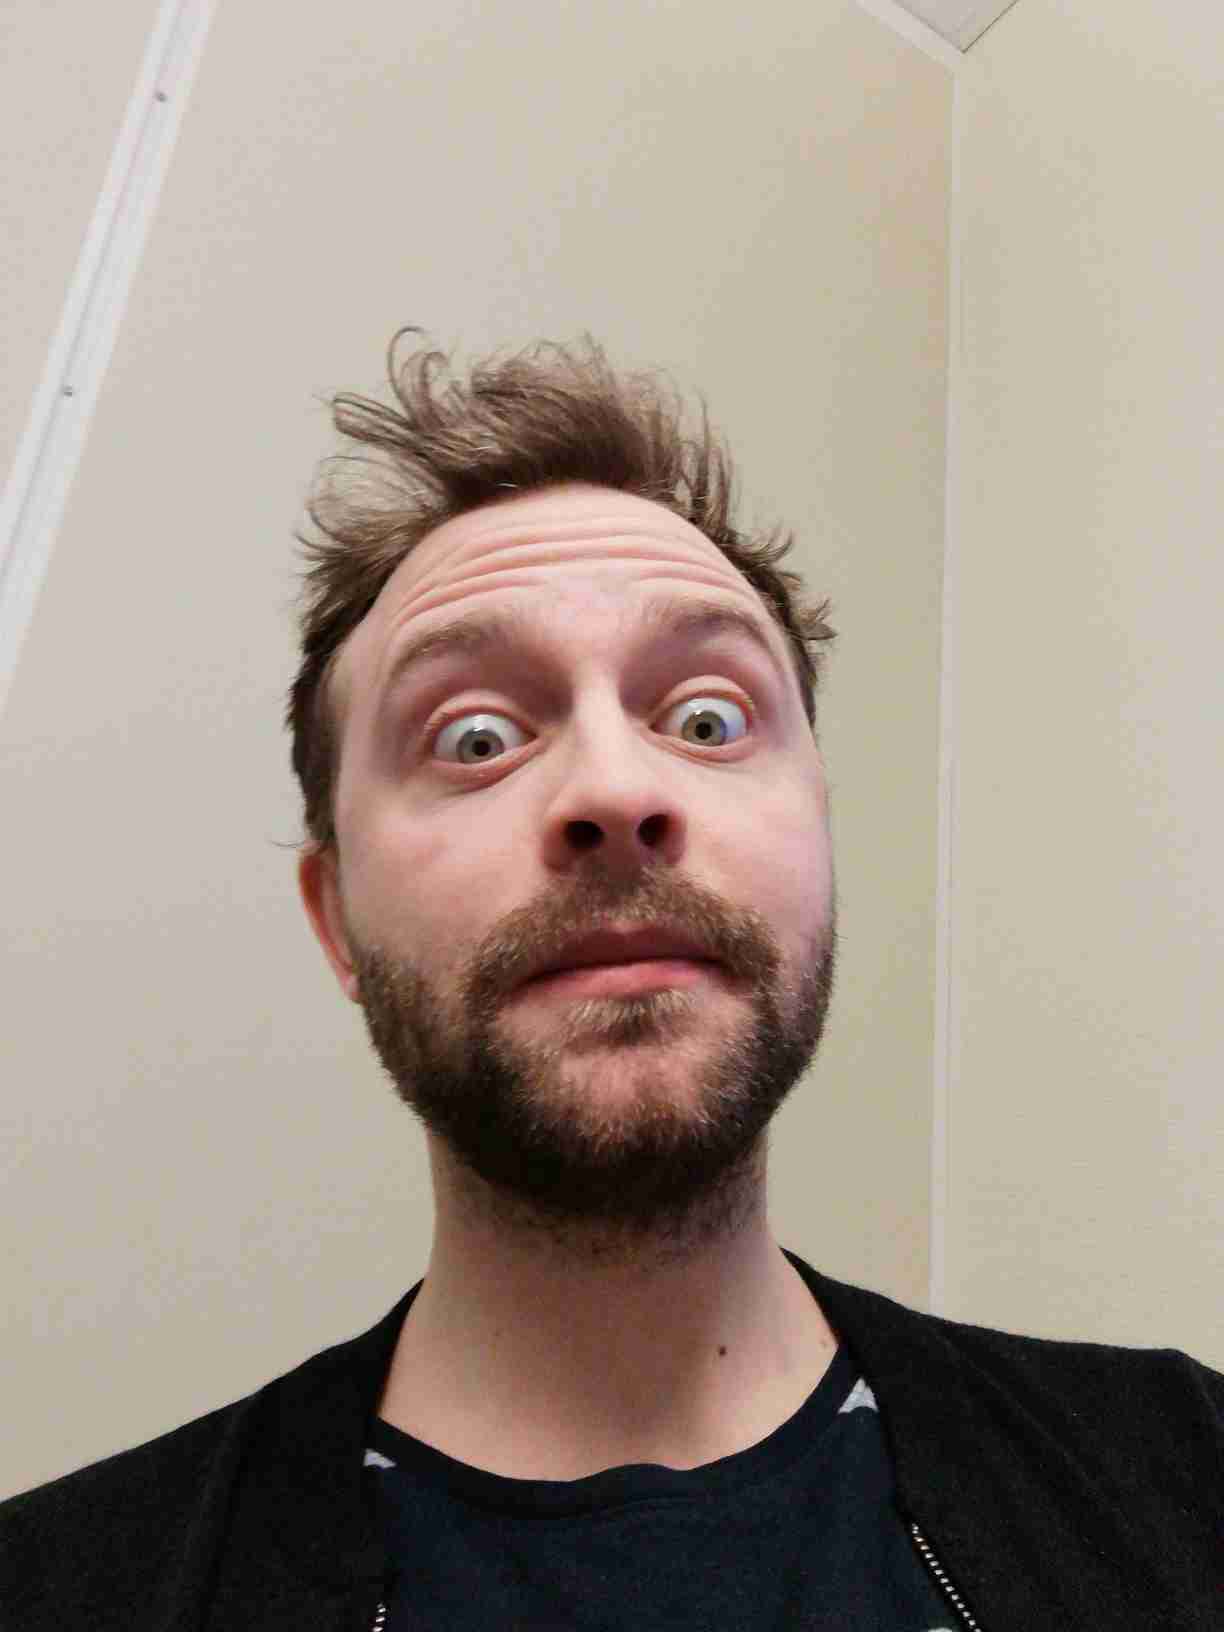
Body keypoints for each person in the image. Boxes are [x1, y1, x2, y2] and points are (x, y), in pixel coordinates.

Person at [2, 331, 1220, 1632]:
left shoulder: (1189, 1478)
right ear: (337, 917)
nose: (616, 789)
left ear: (820, 842)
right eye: (476, 736)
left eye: (707, 719)